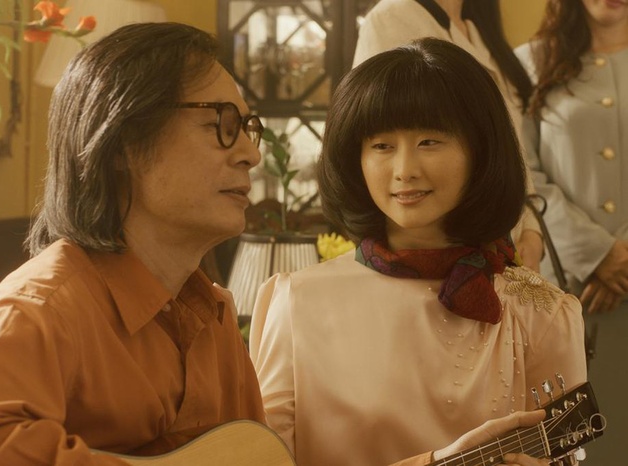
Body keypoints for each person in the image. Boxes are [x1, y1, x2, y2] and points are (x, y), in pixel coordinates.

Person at [0, 21, 555, 466]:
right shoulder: (42, 309)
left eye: (249, 127)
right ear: (124, 142)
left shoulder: (213, 318)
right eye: (222, 125)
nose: (252, 154)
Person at [250, 38, 587, 466]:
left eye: (429, 141)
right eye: (382, 146)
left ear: (480, 150)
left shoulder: (542, 313)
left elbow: (566, 453)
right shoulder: (297, 302)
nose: (405, 170)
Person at [352, 0, 544, 273]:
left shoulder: (478, 29)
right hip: (440, 262)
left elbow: (512, 146)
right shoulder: (391, 17)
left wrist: (533, 231)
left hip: (506, 250)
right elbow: (373, 137)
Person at [515, 0, 628, 463]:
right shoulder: (529, 62)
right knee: (581, 446)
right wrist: (597, 253)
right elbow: (524, 172)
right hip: (566, 293)